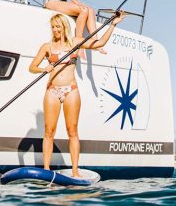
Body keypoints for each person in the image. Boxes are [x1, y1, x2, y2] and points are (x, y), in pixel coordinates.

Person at [29, 11, 125, 177]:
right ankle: (46, 170)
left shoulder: (76, 43)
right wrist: (43, 69)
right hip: (52, 90)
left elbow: (100, 42)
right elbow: (32, 67)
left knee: (72, 130)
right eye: (53, 27)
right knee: (48, 131)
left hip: (70, 90)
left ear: (64, 27)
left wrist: (113, 25)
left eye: (57, 26)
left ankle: (75, 171)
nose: (55, 29)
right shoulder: (47, 47)